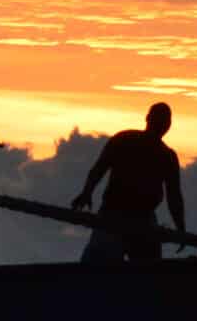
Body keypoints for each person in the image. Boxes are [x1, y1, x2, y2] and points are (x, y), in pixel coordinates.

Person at [70, 101, 186, 263]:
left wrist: (181, 228)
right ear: (149, 119)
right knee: (96, 271)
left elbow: (174, 196)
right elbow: (99, 169)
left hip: (141, 220)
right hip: (114, 216)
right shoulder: (126, 141)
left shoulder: (164, 155)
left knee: (146, 275)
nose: (162, 124)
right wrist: (86, 192)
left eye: (165, 120)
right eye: (160, 119)